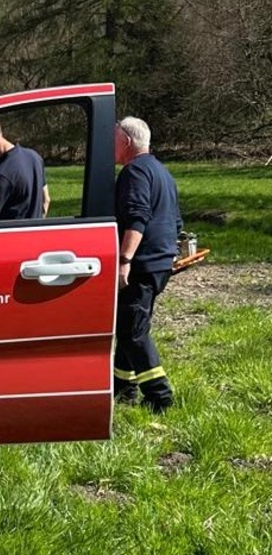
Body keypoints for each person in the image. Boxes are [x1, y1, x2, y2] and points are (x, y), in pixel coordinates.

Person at [113, 116, 181, 413]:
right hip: (160, 263)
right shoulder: (161, 171)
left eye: (114, 139)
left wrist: (124, 260)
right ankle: (123, 389)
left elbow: (137, 219)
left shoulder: (135, 172)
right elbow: (175, 220)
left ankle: (160, 396)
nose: (111, 145)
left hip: (141, 265)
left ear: (127, 141)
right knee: (130, 325)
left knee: (133, 333)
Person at [0, 118, 50, 220]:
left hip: (10, 235)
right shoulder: (34, 157)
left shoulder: (1, 175)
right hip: (36, 234)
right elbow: (45, 200)